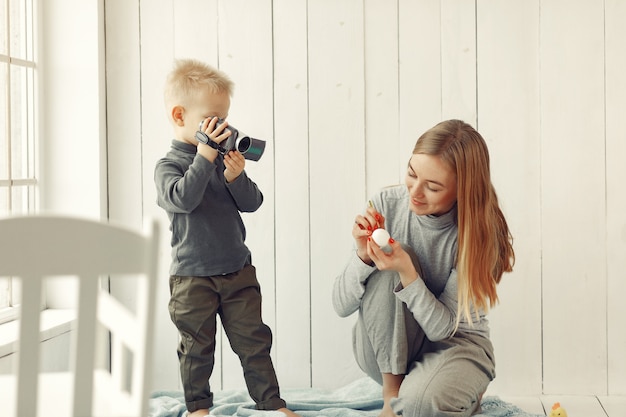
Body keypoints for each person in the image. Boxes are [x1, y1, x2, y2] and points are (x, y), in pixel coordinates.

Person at [333, 119, 515, 417]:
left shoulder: (479, 233)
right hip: (387, 348)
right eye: (411, 173)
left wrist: (408, 273)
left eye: (432, 186)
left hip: (456, 346)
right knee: (391, 257)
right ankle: (394, 397)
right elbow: (341, 305)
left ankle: (454, 388)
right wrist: (363, 257)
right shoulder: (386, 205)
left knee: (420, 406)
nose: (414, 192)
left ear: (462, 191)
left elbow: (443, 329)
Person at [155, 59, 299, 417]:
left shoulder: (221, 161)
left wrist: (236, 177)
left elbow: (253, 203)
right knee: (196, 347)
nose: (224, 128)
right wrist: (204, 158)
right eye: (213, 120)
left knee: (254, 342)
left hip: (236, 270)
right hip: (192, 277)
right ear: (179, 116)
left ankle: (271, 403)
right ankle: (198, 408)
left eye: (225, 118)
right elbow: (182, 199)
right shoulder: (168, 166)